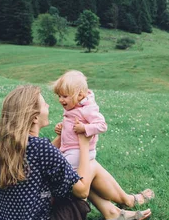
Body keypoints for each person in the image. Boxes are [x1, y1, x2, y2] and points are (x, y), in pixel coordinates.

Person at [0, 85, 152, 220]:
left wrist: (60, 138)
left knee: (71, 173)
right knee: (87, 169)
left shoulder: (5, 146)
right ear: (35, 117)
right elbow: (82, 192)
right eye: (44, 105)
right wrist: (84, 144)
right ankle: (125, 202)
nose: (49, 106)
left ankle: (114, 213)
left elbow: (41, 162)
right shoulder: (40, 148)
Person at [51, 70, 155, 209]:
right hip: (71, 149)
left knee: (77, 180)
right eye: (59, 96)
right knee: (87, 179)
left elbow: (102, 125)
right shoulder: (74, 105)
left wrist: (85, 129)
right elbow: (72, 123)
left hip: (79, 151)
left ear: (80, 95)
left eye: (64, 96)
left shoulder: (88, 109)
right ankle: (120, 205)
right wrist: (62, 128)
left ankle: (122, 202)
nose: (60, 100)